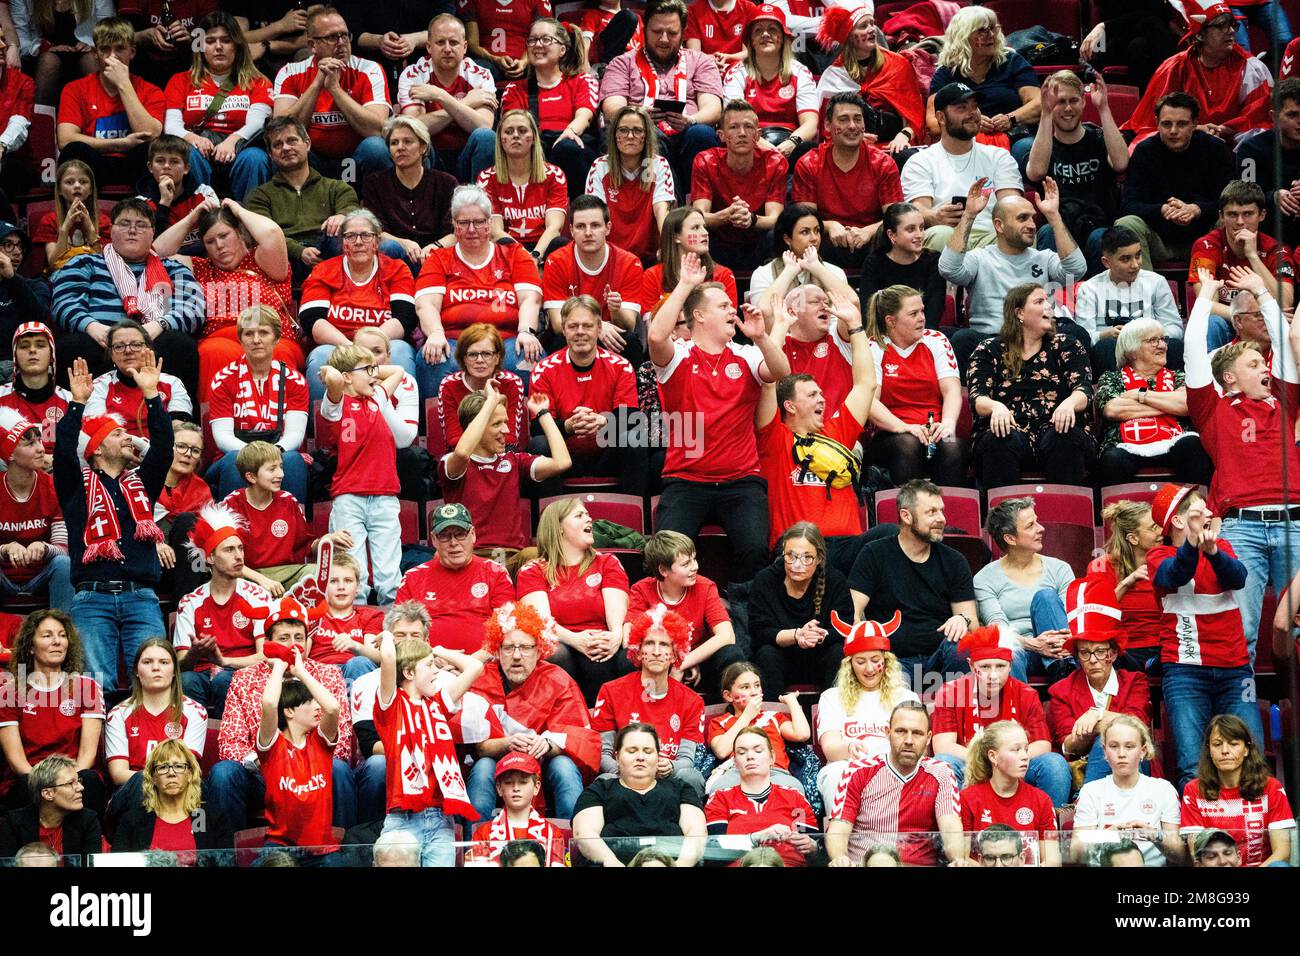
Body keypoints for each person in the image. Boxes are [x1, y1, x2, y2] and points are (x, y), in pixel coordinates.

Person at [648, 250, 789, 581]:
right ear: (699, 315)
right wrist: (685, 284)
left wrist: (761, 336)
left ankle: (742, 610)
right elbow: (655, 336)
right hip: (685, 478)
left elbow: (780, 372)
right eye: (723, 306)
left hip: (740, 479)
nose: (732, 310)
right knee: (666, 553)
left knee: (755, 550)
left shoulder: (746, 355)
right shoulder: (678, 356)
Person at [1186, 269, 1300, 666]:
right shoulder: (1211, 410)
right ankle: (1244, 705)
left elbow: (1283, 346)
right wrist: (1206, 295)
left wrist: (1261, 294)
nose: (1265, 367)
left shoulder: (1284, 401)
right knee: (1243, 631)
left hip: (1294, 522)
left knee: (1296, 627)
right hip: (1240, 526)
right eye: (1254, 364)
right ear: (1230, 377)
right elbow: (1192, 349)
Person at [54, 350, 170, 700]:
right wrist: (77, 404)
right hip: (92, 597)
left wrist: (152, 395)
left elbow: (164, 449)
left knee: (155, 684)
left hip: (141, 595)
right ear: (97, 449)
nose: (127, 437)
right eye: (118, 433)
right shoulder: (76, 488)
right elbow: (63, 453)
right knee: (94, 688)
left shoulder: (142, 483)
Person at [1145, 482, 1266, 787]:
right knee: (1192, 766)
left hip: (1235, 668)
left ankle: (1253, 818)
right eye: (1200, 512)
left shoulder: (1221, 548)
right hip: (1185, 671)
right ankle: (1201, 820)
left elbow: (1238, 578)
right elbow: (1175, 574)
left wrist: (1212, 552)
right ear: (1178, 521)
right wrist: (1192, 545)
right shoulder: (1158, 555)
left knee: (1252, 762)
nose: (1210, 514)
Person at [210, 596, 355, 833]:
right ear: (267, 643)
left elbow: (342, 743)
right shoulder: (244, 678)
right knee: (223, 772)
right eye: (284, 638)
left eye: (299, 638)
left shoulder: (329, 675)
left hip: (314, 773)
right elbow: (230, 742)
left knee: (339, 768)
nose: (293, 646)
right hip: (262, 774)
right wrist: (265, 762)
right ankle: (229, 851)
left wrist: (302, 763)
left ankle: (344, 847)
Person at [50, 198, 204, 398]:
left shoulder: (173, 269)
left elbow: (193, 308)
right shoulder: (84, 263)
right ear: (111, 230)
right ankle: (78, 413)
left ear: (152, 233)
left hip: (154, 339)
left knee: (180, 344)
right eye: (124, 224)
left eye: (141, 225)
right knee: (72, 346)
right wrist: (93, 327)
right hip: (100, 339)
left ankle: (177, 415)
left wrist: (156, 327)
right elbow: (64, 301)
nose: (132, 230)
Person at [463, 602, 602, 823]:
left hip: (544, 766)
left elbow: (581, 739)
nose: (517, 656)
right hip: (496, 764)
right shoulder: (479, 681)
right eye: (509, 648)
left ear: (539, 651)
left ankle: (575, 840)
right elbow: (476, 747)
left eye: (526, 648)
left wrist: (548, 745)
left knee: (564, 767)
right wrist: (508, 744)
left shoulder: (558, 680)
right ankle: (477, 840)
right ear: (496, 651)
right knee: (482, 768)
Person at [154, 197, 296, 401]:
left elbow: (272, 233)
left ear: (240, 232)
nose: (219, 246)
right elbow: (156, 256)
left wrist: (238, 211)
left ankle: (276, 419)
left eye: (224, 235)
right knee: (214, 352)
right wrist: (190, 219)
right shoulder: (200, 269)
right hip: (218, 340)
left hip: (270, 337)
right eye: (210, 241)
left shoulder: (262, 261)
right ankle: (216, 420)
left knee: (274, 352)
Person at [941, 176, 1087, 372]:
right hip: (992, 342)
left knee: (1076, 333)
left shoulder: (1044, 257)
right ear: (999, 225)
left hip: (1039, 342)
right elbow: (948, 269)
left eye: (1032, 218)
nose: (1032, 225)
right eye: (1022, 218)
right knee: (963, 339)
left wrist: (1053, 216)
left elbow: (1076, 270)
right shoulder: (980, 258)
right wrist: (969, 215)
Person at [413, 184, 544, 396]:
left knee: (528, 356)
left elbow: (531, 299)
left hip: (506, 340)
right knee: (433, 359)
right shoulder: (439, 258)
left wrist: (526, 332)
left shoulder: (514, 254)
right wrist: (435, 333)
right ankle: (443, 419)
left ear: (490, 223)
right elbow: (426, 304)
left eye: (479, 222)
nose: (472, 229)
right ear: (454, 225)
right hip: (455, 341)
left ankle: (528, 418)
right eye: (464, 223)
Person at [849, 479, 980, 686]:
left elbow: (972, 621)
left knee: (962, 647)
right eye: (932, 512)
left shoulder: (954, 560)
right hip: (893, 659)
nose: (942, 518)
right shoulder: (874, 554)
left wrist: (962, 620)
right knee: (890, 680)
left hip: (941, 656)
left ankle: (956, 705)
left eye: (942, 511)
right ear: (906, 516)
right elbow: (852, 613)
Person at [967, 283, 1095, 488]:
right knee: (999, 438)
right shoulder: (989, 350)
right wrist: (995, 406)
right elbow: (977, 397)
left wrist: (1069, 403)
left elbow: (1084, 389)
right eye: (1039, 302)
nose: (1048, 307)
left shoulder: (1067, 345)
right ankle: (1004, 508)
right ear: (1019, 313)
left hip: (1056, 429)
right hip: (1009, 430)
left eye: (1048, 301)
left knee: (1065, 436)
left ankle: (1066, 507)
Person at [929, 625, 1072, 807]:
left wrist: (1006, 760)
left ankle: (1048, 822)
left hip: (1014, 766)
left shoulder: (1026, 694)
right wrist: (988, 760)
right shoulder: (950, 692)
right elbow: (943, 746)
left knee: (1054, 764)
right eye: (985, 667)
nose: (993, 675)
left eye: (1000, 666)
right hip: (970, 764)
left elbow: (1042, 745)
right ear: (971, 665)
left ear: (1010, 665)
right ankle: (956, 823)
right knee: (944, 763)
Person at [597, 0, 723, 200]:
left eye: (672, 33)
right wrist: (638, 116)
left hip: (687, 131)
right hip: (643, 132)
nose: (664, 39)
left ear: (683, 32)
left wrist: (691, 120)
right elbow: (612, 108)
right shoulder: (622, 63)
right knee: (648, 135)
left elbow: (713, 108)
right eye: (657, 32)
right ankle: (670, 207)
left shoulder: (701, 61)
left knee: (702, 133)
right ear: (645, 30)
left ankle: (699, 203)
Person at [318, 343, 410, 605]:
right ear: (347, 377)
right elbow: (333, 378)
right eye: (368, 370)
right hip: (349, 498)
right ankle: (352, 623)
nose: (375, 374)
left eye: (374, 369)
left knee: (389, 576)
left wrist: (369, 370)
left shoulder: (377, 398)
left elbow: (399, 371)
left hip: (385, 495)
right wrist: (330, 371)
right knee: (354, 572)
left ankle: (393, 624)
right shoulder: (336, 405)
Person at [440, 384, 569, 570]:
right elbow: (461, 453)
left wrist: (543, 413)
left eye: (505, 422)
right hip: (470, 557)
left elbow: (562, 462)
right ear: (476, 427)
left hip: (512, 557)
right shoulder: (452, 463)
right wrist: (490, 401)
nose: (506, 430)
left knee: (542, 555)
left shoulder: (514, 461)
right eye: (497, 424)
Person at [825, 700, 966, 867]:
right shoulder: (858, 771)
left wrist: (957, 860)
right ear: (888, 732)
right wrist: (840, 859)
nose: (909, 740)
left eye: (917, 733)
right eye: (901, 731)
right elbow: (838, 829)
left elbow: (951, 827)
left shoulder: (942, 773)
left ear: (928, 738)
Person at [517, 497, 631, 702]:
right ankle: (564, 713)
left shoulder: (607, 562)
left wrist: (615, 636)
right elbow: (540, 621)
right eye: (579, 515)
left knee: (602, 654)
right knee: (554, 652)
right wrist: (575, 640)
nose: (589, 519)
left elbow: (618, 614)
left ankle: (603, 715)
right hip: (561, 641)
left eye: (587, 514)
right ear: (559, 528)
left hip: (600, 640)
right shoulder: (533, 570)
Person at [299, 209, 418, 404]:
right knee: (320, 356)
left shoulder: (396, 269)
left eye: (365, 235)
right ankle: (324, 421)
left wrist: (369, 347)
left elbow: (405, 318)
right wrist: (352, 350)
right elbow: (312, 320)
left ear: (377, 241)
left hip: (382, 342)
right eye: (350, 236)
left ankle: (401, 418)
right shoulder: (324, 270)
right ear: (342, 243)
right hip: (337, 345)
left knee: (400, 352)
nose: (358, 242)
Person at [1047, 572, 1152, 784]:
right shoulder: (1061, 690)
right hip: (1082, 767)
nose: (1093, 659)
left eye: (1100, 651)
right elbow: (1067, 744)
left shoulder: (1134, 681)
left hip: (1134, 766)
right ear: (1078, 657)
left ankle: (1089, 799)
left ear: (1112, 654)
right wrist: (1101, 725)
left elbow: (1137, 725)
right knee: (1103, 742)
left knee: (1115, 739)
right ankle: (1091, 799)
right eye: (1085, 653)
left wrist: (1097, 716)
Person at [591, 606, 706, 797]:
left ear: (675, 653)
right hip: (624, 778)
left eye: (664, 645)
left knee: (690, 777)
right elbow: (603, 754)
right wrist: (629, 769)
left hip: (668, 780)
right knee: (604, 781)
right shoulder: (611, 691)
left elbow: (686, 759)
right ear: (638, 650)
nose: (656, 652)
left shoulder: (692, 701)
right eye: (649, 643)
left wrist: (671, 766)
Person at [242, 116, 374, 281]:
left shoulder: (337, 187)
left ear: (307, 143)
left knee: (341, 232)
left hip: (327, 250)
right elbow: (262, 235)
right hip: (285, 257)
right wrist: (299, 252)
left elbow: (351, 208)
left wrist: (342, 216)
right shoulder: (259, 195)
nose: (286, 148)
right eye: (278, 144)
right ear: (270, 154)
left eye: (292, 141)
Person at [1114, 93, 1235, 272]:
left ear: (1195, 123)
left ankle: (1225, 285)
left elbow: (1231, 201)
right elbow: (1129, 205)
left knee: (1234, 218)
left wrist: (1197, 209)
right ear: (1157, 123)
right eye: (1166, 124)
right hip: (1158, 241)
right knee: (1126, 224)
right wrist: (1163, 210)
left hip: (1206, 238)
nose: (1173, 131)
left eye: (1182, 124)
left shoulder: (1215, 149)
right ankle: (1145, 288)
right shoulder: (1145, 151)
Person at [198, 307, 308, 503]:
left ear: (277, 338)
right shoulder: (223, 380)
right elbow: (222, 437)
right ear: (240, 340)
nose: (256, 340)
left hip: (279, 453)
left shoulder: (295, 380)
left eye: (263, 333)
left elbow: (295, 435)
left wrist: (270, 458)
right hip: (233, 455)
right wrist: (256, 458)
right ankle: (232, 522)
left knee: (293, 460)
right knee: (235, 461)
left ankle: (293, 520)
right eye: (249, 334)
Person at [270, 7, 391, 182]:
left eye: (345, 35)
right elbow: (281, 132)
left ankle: (374, 199)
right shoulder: (290, 72)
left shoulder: (369, 69)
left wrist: (335, 89)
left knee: (376, 148)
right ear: (312, 45)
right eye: (332, 37)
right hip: (312, 159)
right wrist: (317, 84)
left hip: (356, 157)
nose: (341, 42)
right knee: (285, 150)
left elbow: (376, 129)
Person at [814, 609, 920, 810]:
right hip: (848, 766)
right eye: (861, 662)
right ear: (850, 665)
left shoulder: (906, 698)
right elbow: (830, 748)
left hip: (894, 767)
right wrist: (849, 748)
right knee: (836, 774)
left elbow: (917, 747)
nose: (869, 669)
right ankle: (842, 830)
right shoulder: (832, 697)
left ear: (886, 661)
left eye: (875, 660)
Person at [173, 501, 272, 715]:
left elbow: (265, 657)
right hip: (202, 673)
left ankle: (226, 733)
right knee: (186, 680)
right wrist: (194, 653)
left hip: (244, 672)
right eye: (229, 550)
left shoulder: (257, 596)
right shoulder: (190, 602)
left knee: (223, 680)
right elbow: (180, 664)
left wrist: (224, 661)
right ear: (210, 557)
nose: (239, 556)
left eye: (240, 548)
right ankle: (194, 734)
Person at [0, 610, 104, 813]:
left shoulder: (87, 687)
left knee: (90, 780)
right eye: (47, 635)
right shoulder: (9, 692)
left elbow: (87, 755)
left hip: (75, 776)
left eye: (62, 635)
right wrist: (47, 787)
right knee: (22, 784)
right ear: (30, 646)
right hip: (30, 779)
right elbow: (16, 761)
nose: (57, 641)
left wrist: (67, 784)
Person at [1121, 3, 1271, 143]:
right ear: (1200, 35)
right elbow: (1152, 120)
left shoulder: (1252, 67)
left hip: (1232, 143)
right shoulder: (1174, 67)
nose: (1231, 31)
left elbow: (1259, 117)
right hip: (1182, 143)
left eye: (1232, 25)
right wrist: (1194, 129)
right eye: (1221, 26)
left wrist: (1225, 129)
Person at [900, 81, 1023, 252]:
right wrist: (934, 216)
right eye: (962, 107)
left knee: (1019, 232)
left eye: (975, 106)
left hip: (991, 234)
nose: (972, 113)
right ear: (941, 117)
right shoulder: (920, 161)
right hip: (948, 232)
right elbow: (918, 208)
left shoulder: (998, 156)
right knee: (940, 234)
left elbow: (1012, 203)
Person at [1024, 71, 1128, 272]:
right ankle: (1055, 293)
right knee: (1047, 232)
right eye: (1060, 102)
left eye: (1073, 100)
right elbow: (1035, 172)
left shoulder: (1099, 137)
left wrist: (1103, 108)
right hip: (1059, 226)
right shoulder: (1043, 146)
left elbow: (1121, 163)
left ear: (1083, 102)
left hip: (1098, 226)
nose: (1068, 108)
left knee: (1101, 237)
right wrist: (1046, 113)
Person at [162, 11, 272, 200]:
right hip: (199, 149)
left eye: (226, 40)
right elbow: (171, 126)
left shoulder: (258, 82)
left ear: (237, 45)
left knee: (256, 158)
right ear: (200, 46)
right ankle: (196, 214)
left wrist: (232, 141)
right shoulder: (180, 81)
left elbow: (257, 123)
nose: (219, 47)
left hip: (241, 149)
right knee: (188, 154)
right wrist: (192, 138)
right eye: (210, 41)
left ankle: (250, 214)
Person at [863, 284, 964, 487]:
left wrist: (947, 423)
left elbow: (952, 390)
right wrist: (904, 427)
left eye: (922, 311)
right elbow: (870, 402)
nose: (922, 318)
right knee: (908, 443)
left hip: (933, 429)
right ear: (891, 321)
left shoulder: (937, 340)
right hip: (891, 433)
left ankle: (949, 506)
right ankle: (908, 506)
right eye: (913, 313)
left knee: (952, 445)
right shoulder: (872, 346)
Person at [529, 296, 638, 485]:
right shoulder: (543, 370)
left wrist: (603, 421)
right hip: (565, 458)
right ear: (564, 330)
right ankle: (551, 506)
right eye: (573, 326)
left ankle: (637, 504)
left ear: (599, 328)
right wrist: (568, 426)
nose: (580, 332)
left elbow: (630, 418)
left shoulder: (621, 366)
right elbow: (537, 427)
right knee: (539, 444)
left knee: (634, 439)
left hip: (608, 455)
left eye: (587, 326)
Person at [792, 94, 906, 273]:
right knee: (804, 237)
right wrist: (829, 226)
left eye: (857, 119)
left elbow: (896, 217)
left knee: (897, 235)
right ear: (827, 125)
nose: (852, 126)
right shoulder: (809, 164)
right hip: (824, 241)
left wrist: (868, 231)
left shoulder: (883, 163)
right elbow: (803, 219)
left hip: (872, 243)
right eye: (843, 119)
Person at [1094, 319, 1213, 487]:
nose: (1162, 345)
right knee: (1112, 459)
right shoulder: (1112, 378)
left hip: (1175, 440)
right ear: (1132, 351)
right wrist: (1168, 405)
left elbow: (1187, 405)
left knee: (1195, 446)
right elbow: (1113, 409)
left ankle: (1192, 503)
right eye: (1153, 340)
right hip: (1125, 445)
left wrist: (1141, 394)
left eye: (1163, 339)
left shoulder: (1179, 376)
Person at [572, 721, 707, 866]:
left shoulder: (681, 789)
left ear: (658, 756)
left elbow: (697, 832)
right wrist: (612, 862)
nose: (640, 757)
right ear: (617, 757)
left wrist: (680, 865)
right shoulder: (599, 790)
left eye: (648, 751)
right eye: (632, 751)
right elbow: (585, 834)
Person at [627, 530, 741, 697]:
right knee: (625, 659)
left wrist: (683, 663)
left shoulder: (705, 586)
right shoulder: (641, 590)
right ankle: (642, 706)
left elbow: (727, 636)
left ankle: (728, 709)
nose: (695, 567)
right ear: (663, 570)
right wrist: (672, 661)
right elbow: (630, 638)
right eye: (686, 564)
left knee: (731, 653)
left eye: (694, 559)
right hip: (657, 658)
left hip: (699, 658)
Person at [255, 641, 341, 860]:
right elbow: (269, 704)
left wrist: (301, 672)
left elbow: (332, 707)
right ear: (289, 711)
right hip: (280, 846)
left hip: (323, 850)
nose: (318, 706)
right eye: (309, 702)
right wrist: (279, 667)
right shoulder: (272, 746)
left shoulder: (320, 743)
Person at [55, 17, 164, 189]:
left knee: (149, 151)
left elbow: (151, 135)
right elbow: (65, 140)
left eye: (120, 48)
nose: (112, 57)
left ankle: (145, 203)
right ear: (95, 53)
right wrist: (120, 144)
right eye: (105, 49)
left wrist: (123, 84)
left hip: (132, 164)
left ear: (132, 52)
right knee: (74, 151)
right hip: (94, 164)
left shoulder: (151, 91)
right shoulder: (75, 89)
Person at [974, 497, 1074, 681]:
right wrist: (1033, 644)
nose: (1041, 528)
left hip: (1061, 650)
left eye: (1037, 521)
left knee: (1046, 597)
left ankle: (1063, 675)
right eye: (1030, 526)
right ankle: (1018, 700)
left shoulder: (1060, 569)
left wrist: (1053, 646)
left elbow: (1071, 620)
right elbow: (998, 629)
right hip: (1018, 649)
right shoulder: (984, 578)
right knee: (1008, 654)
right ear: (1010, 538)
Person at [926, 6, 1040, 167]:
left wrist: (1010, 118)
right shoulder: (946, 73)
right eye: (982, 30)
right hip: (966, 140)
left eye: (993, 28)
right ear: (963, 36)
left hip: (1014, 135)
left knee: (1026, 148)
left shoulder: (1012, 61)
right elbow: (933, 123)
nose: (991, 35)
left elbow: (1039, 103)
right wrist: (972, 124)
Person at [396, 503, 516, 655]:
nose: (453, 543)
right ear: (434, 539)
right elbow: (400, 632)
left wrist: (472, 662)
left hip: (483, 663)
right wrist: (428, 659)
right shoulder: (413, 577)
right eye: (445, 536)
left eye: (460, 534)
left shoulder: (495, 572)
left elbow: (507, 629)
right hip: (426, 663)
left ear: (473, 534)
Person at [104, 638, 206, 815]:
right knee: (138, 783)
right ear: (136, 671)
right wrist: (157, 780)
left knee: (201, 791)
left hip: (178, 791)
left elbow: (187, 769)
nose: (156, 668)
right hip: (134, 793)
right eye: (147, 662)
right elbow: (118, 774)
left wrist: (165, 781)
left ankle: (196, 832)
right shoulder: (118, 714)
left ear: (174, 671)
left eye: (164, 662)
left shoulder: (195, 711)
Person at [499, 19, 597, 199]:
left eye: (545, 39)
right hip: (534, 150)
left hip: (573, 148)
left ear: (562, 49)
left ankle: (581, 209)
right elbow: (513, 126)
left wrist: (569, 132)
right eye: (532, 40)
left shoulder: (581, 81)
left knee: (566, 148)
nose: (538, 45)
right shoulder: (515, 89)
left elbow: (584, 116)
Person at [1180, 713, 1295, 867]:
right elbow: (1198, 853)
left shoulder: (1271, 787)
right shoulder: (1194, 790)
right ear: (1209, 750)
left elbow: (1282, 852)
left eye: (1233, 744)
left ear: (1246, 749)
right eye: (1217, 744)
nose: (1225, 750)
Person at [749, 522, 851, 695]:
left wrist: (818, 636)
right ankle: (773, 711)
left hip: (821, 657)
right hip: (781, 659)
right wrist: (797, 635)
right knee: (766, 654)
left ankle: (835, 710)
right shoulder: (765, 580)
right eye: (791, 556)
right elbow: (759, 632)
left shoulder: (835, 580)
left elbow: (845, 627)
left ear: (819, 558)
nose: (797, 565)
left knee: (837, 653)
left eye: (807, 557)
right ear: (783, 552)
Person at [395, 13, 497, 184]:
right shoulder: (414, 74)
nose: (448, 49)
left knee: (486, 137)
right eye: (440, 42)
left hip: (468, 153)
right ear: (429, 47)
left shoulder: (480, 75)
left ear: (465, 47)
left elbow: (483, 125)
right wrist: (466, 103)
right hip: (431, 154)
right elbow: (414, 129)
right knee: (416, 141)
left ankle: (480, 199)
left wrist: (440, 96)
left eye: (454, 42)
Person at [1189, 181, 1296, 341]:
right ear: (1221, 216)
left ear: (1262, 215)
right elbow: (1207, 304)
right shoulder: (1205, 246)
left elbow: (1284, 303)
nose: (1240, 222)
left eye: (1248, 214)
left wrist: (1252, 256)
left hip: (1264, 326)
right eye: (1232, 214)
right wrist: (1249, 315)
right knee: (1212, 323)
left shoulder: (1277, 250)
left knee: (1283, 323)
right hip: (1229, 322)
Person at [813, 6, 924, 159]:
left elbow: (915, 115)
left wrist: (904, 135)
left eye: (872, 23)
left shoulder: (898, 65)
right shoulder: (834, 76)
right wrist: (849, 138)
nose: (872, 29)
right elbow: (826, 128)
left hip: (893, 145)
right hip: (850, 147)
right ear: (849, 36)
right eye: (863, 26)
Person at [1073, 226, 1186, 375]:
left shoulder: (1156, 282)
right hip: (1113, 349)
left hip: (1151, 345)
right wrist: (1104, 335)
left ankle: (1171, 386)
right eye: (1126, 259)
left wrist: (1148, 336)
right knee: (1104, 347)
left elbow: (1175, 328)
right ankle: (1112, 388)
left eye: (1138, 255)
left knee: (1176, 346)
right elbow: (1083, 337)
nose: (1135, 264)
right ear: (1106, 262)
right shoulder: (1089, 288)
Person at [1072, 714, 1183, 866]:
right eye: (1114, 746)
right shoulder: (1091, 791)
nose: (1121, 754)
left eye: (1129, 746)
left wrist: (1155, 835)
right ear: (1104, 751)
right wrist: (1105, 836)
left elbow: (1180, 855)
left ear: (1143, 751)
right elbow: (1076, 855)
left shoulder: (1164, 790)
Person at [691, 99, 787, 272]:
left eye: (748, 127)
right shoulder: (705, 161)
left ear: (757, 135)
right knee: (694, 232)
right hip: (718, 241)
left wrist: (751, 219)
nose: (742, 133)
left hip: (758, 241)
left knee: (778, 234)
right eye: (734, 127)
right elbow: (698, 216)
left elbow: (775, 219)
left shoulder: (775, 162)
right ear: (721, 135)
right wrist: (727, 215)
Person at [541, 195, 642, 357]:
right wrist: (597, 327)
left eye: (595, 225)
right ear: (571, 230)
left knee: (628, 341)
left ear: (607, 228)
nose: (588, 233)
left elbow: (628, 324)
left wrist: (616, 310)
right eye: (580, 226)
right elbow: (558, 324)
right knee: (559, 341)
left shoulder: (630, 263)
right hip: (574, 332)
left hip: (610, 333)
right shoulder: (556, 261)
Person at [704, 724, 818, 866]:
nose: (750, 756)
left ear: (772, 757)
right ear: (735, 763)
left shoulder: (795, 797)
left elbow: (815, 849)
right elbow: (714, 852)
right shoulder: (720, 798)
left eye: (758, 751)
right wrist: (756, 838)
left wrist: (812, 847)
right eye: (741, 752)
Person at [721, 5, 816, 162]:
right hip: (749, 141)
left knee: (809, 150)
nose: (765, 34)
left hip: (790, 144)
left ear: (783, 38)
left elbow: (810, 123)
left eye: (772, 29)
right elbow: (734, 120)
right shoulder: (737, 73)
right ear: (751, 40)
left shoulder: (801, 72)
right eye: (758, 30)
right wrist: (764, 146)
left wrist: (791, 143)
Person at [110, 738, 231, 858]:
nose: (171, 773)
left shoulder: (208, 817)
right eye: (163, 767)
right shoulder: (133, 820)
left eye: (178, 766)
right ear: (153, 777)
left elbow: (225, 861)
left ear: (190, 774)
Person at [960, 721, 1061, 866]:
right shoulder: (967, 798)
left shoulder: (1041, 800)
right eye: (1016, 750)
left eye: (1026, 749)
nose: (1025, 756)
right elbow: (962, 859)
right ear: (993, 756)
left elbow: (1052, 861)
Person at [363, 116, 456, 271]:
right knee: (389, 247)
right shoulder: (375, 183)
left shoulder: (446, 183)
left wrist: (435, 246)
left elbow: (455, 231)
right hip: (396, 256)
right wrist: (403, 243)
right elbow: (375, 231)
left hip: (437, 255)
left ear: (423, 147)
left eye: (407, 141)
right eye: (394, 143)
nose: (400, 147)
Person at [584, 105, 675, 264]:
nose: (630, 136)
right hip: (611, 258)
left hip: (650, 257)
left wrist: (667, 250)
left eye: (637, 130)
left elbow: (661, 211)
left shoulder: (658, 165)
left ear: (646, 135)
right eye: (623, 130)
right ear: (614, 135)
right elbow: (595, 216)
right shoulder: (600, 167)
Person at [0, 407, 71, 611]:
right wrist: (5, 549)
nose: (41, 449)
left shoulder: (53, 487)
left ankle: (63, 627)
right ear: (10, 454)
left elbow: (63, 548)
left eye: (40, 441)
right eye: (30, 443)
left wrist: (44, 548)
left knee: (64, 564)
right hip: (4, 578)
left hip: (41, 577)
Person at [476, 110, 568, 265]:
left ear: (533, 138)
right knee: (498, 243)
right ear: (501, 140)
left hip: (542, 247)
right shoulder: (487, 178)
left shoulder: (554, 175)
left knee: (560, 244)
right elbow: (496, 231)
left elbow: (554, 227)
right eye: (508, 131)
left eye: (522, 130)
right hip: (508, 247)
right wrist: (524, 259)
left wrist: (536, 255)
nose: (516, 135)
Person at [705, 661, 808, 794]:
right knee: (719, 789)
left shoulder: (774, 717)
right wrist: (747, 716)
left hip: (775, 772)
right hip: (737, 773)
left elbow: (802, 734)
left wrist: (792, 701)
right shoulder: (719, 722)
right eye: (745, 687)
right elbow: (721, 751)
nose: (754, 692)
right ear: (728, 696)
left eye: (757, 685)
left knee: (795, 788)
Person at [1093, 502, 1165, 671]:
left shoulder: (1168, 563)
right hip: (1124, 649)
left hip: (1162, 648)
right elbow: (1096, 615)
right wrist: (1127, 582)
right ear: (1133, 538)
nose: (1161, 531)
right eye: (1153, 527)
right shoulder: (1103, 566)